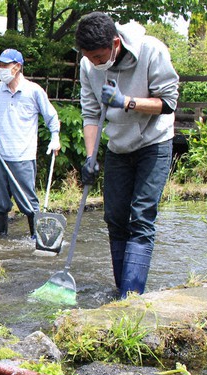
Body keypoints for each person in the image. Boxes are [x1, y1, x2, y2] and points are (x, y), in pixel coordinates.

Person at [75, 12, 178, 298]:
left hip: (154, 142)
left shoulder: (151, 51)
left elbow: (168, 102)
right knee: (115, 217)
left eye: (98, 56)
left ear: (116, 43)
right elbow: (91, 113)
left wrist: (127, 102)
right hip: (119, 146)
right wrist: (90, 157)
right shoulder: (88, 65)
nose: (95, 63)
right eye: (89, 57)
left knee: (141, 217)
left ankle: (131, 297)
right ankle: (121, 291)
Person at [0, 49, 61, 238]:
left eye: (4, 65)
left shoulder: (33, 91)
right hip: (0, 155)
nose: (0, 69)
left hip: (23, 157)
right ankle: (0, 239)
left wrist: (55, 137)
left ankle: (37, 239)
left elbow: (51, 116)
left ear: (17, 67)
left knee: (28, 202)